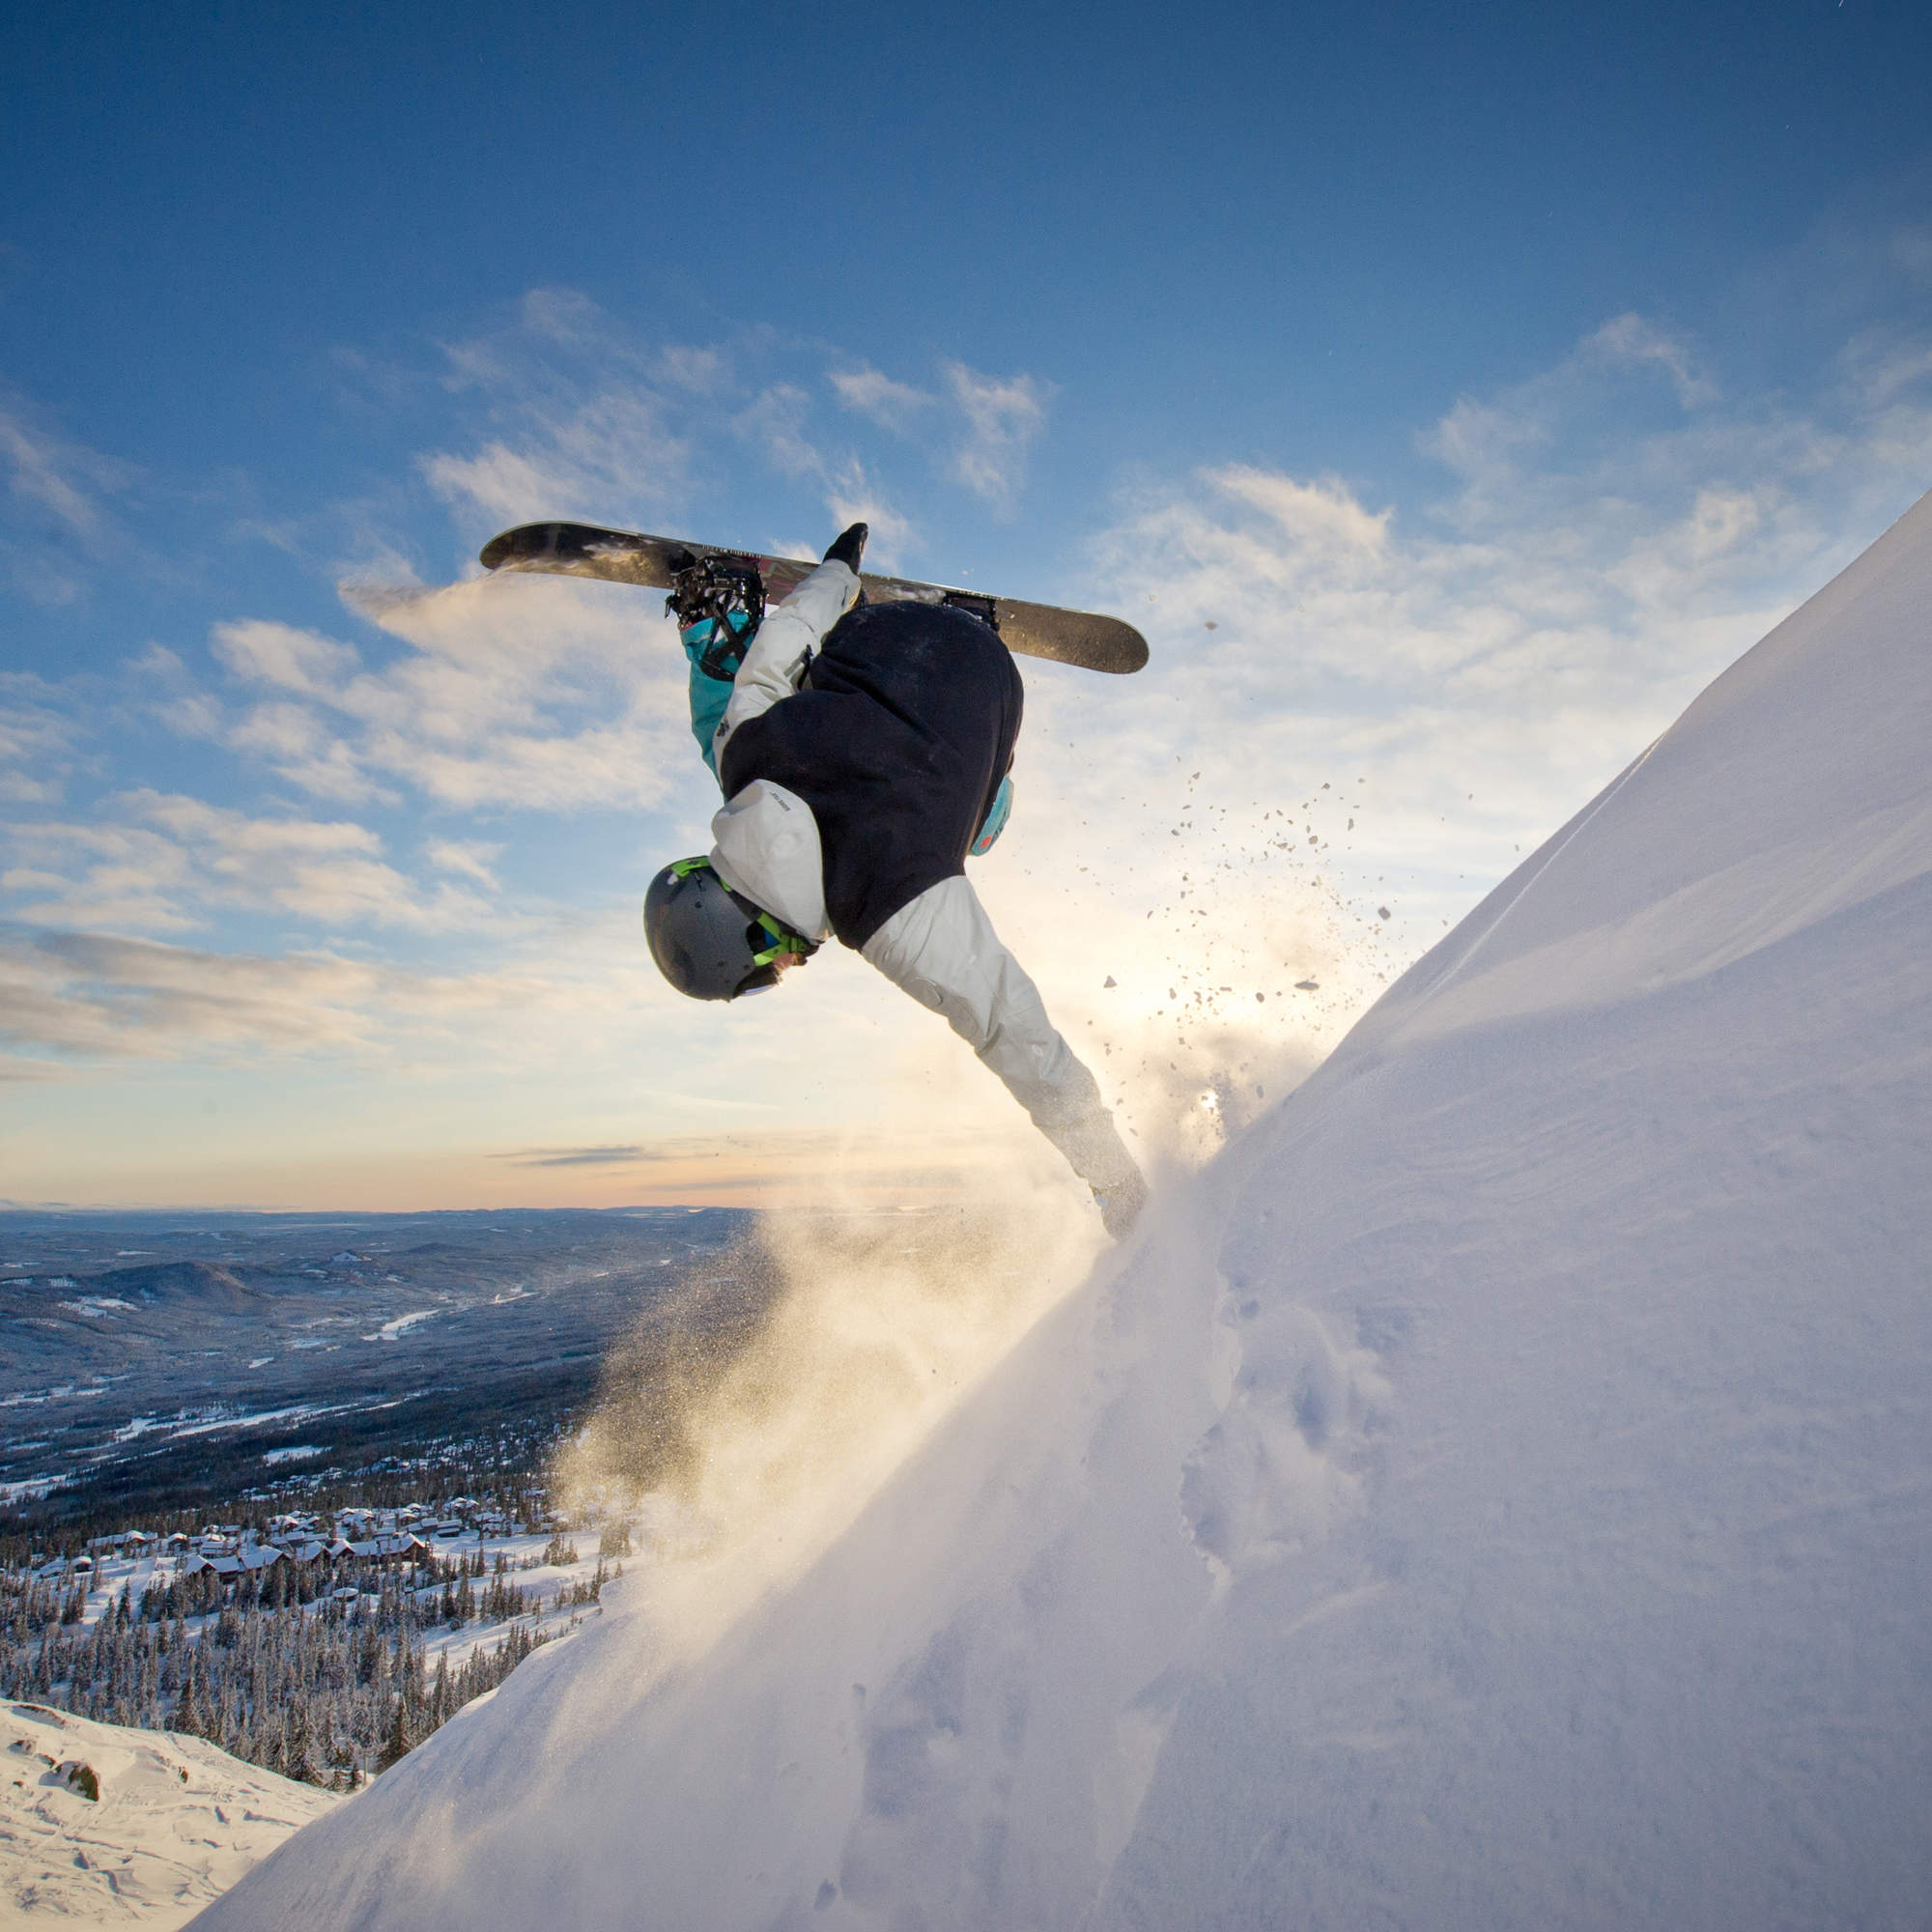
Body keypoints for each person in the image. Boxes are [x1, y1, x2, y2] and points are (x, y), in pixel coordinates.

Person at [643, 523, 1148, 1237]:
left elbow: (1021, 1037)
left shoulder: (891, 909)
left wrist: (1117, 1181)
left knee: (980, 829)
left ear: (753, 932)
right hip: (882, 630)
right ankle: (716, 611)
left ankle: (972, 628)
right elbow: (779, 650)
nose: (786, 971)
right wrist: (838, 574)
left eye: (766, 972)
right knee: (725, 722)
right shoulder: (743, 761)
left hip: (987, 669)